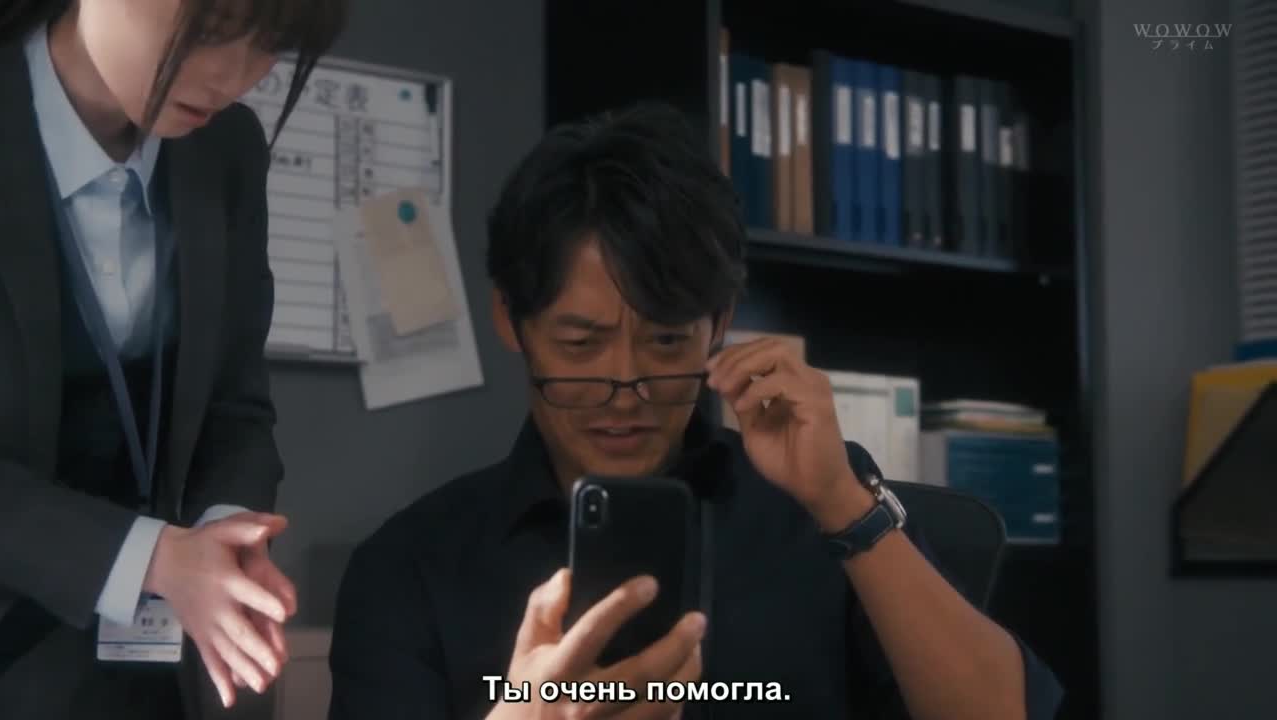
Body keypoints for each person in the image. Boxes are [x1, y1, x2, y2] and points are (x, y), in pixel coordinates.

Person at [328, 103, 1064, 720]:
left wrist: (845, 504)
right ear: (509, 320)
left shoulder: (821, 506)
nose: (628, 387)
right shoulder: (410, 567)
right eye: (580, 344)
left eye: (667, 341)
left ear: (720, 325)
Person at [0, 1, 347, 717]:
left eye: (270, 44)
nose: (232, 77)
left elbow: (236, 406)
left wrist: (227, 534)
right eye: (209, 31)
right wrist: (154, 558)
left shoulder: (227, 151)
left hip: (144, 674)